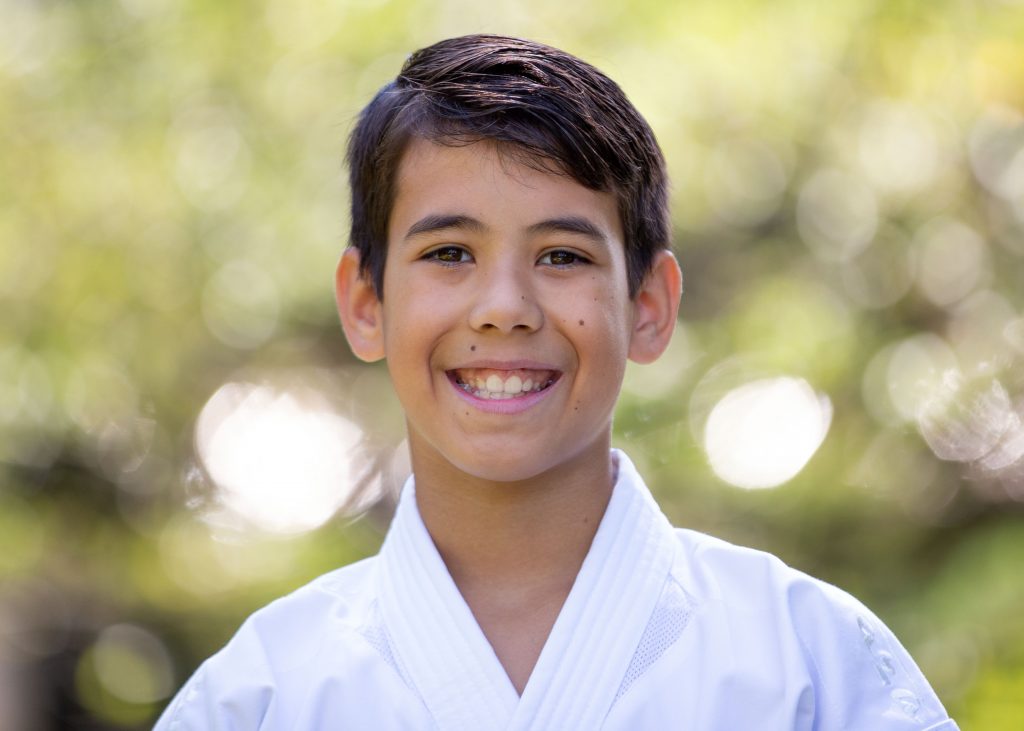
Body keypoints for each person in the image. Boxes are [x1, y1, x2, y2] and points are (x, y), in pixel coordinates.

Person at [154, 34, 958, 730]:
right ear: (367, 303)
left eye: (563, 256)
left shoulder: (808, 663)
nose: (504, 308)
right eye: (449, 253)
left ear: (648, 305)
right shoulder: (260, 694)